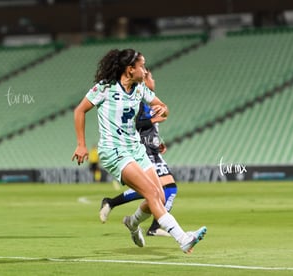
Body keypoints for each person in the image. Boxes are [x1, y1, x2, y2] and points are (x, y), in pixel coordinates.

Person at [72, 48, 206, 253]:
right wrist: (81, 144)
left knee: (159, 197)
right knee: (152, 193)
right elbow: (80, 110)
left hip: (136, 149)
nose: (145, 70)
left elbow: (162, 106)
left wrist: (163, 109)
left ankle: (132, 223)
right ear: (129, 69)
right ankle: (183, 238)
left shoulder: (140, 89)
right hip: (114, 151)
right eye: (142, 66)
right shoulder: (105, 88)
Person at [99, 70, 177, 237]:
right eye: (149, 76)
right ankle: (155, 227)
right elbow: (135, 124)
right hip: (141, 149)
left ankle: (112, 203)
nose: (152, 79)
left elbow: (149, 129)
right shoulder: (137, 98)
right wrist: (153, 121)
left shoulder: (148, 101)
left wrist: (157, 143)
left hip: (151, 149)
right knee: (163, 188)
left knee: (158, 189)